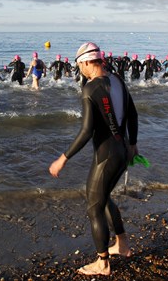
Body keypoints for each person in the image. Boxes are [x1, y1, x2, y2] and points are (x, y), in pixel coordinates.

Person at [49, 42, 138, 276]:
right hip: (122, 151)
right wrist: (133, 144)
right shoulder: (118, 79)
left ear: (88, 62)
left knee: (93, 206)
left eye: (80, 66)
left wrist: (63, 158)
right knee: (103, 198)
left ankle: (103, 263)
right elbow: (132, 113)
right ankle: (122, 244)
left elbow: (87, 131)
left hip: (106, 155)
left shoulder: (90, 89)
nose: (80, 70)